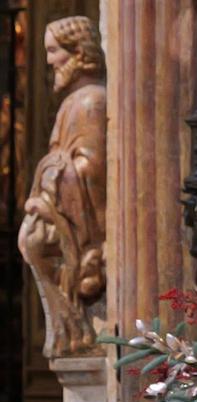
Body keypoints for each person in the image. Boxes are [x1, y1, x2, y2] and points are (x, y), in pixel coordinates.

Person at [17, 16, 106, 357]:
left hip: (81, 225)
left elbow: (91, 169)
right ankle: (71, 328)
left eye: (54, 51)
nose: (50, 60)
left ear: (79, 52)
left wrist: (50, 195)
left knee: (37, 241)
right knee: (33, 241)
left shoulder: (91, 102)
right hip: (61, 213)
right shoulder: (74, 102)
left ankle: (78, 328)